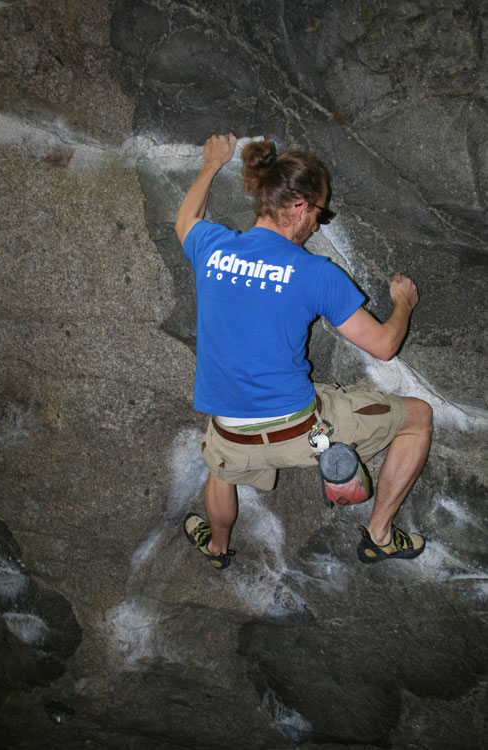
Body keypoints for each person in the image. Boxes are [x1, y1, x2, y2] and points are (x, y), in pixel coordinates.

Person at [175, 133, 433, 569]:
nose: (319, 224)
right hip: (301, 432)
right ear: (299, 208)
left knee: (220, 466)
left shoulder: (212, 247)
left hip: (230, 431)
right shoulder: (314, 273)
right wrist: (404, 303)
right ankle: (380, 535)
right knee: (419, 418)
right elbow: (385, 346)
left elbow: (185, 219)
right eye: (320, 213)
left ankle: (218, 548)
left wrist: (211, 164)